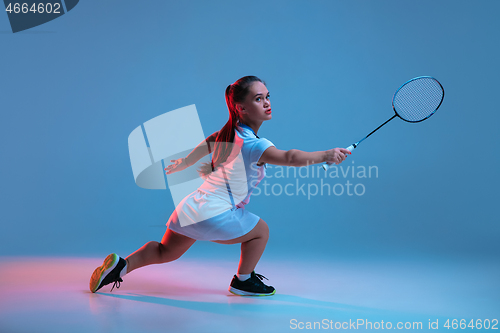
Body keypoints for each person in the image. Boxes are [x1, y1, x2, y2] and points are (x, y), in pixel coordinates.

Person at [89, 75, 350, 296]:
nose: (267, 103)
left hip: (191, 206)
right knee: (261, 231)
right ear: (242, 108)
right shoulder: (254, 144)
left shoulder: (231, 131)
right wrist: (325, 155)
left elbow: (209, 141)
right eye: (258, 99)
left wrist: (184, 161)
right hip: (215, 212)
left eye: (268, 96)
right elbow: (290, 157)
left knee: (164, 251)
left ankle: (119, 266)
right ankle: (243, 280)